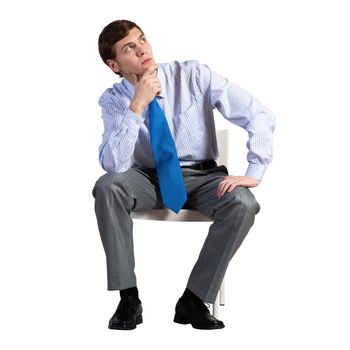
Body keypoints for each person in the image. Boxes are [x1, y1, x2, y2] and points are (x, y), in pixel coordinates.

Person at [93, 19, 275, 331]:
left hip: (202, 178)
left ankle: (194, 299)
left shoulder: (192, 75)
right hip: (147, 179)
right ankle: (128, 299)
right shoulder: (113, 100)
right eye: (129, 48)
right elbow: (114, 164)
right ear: (114, 65)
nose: (142, 50)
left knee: (243, 203)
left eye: (142, 40)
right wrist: (137, 105)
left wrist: (255, 170)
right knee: (107, 186)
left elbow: (258, 113)